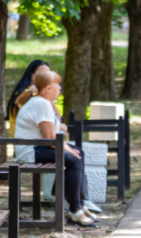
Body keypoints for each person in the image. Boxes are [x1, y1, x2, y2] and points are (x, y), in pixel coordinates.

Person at [13, 70, 96, 227]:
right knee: (74, 160)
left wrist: (69, 149)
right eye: (57, 84)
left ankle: (79, 202)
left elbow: (54, 135)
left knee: (79, 153)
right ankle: (74, 209)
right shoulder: (41, 103)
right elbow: (51, 139)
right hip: (31, 151)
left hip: (39, 147)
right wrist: (68, 151)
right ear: (47, 88)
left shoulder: (43, 102)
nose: (60, 88)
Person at [7, 60, 51, 136]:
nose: (45, 77)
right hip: (26, 142)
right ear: (32, 75)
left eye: (48, 75)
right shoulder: (25, 94)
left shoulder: (38, 94)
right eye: (42, 74)